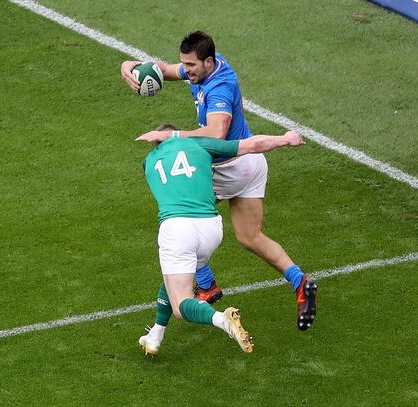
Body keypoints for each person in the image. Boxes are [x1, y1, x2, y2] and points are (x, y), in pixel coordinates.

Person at [121, 31, 317, 332]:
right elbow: (165, 69)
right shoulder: (204, 68)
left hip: (230, 167)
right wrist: (129, 65)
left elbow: (215, 134)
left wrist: (169, 135)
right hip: (252, 164)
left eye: (190, 66)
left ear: (208, 62)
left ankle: (204, 286)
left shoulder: (220, 88)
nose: (185, 70)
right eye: (184, 64)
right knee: (251, 237)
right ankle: (300, 283)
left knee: (182, 220)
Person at [137, 125, 306, 355]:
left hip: (177, 228)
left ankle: (222, 320)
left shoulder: (148, 163)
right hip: (211, 228)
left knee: (180, 304)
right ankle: (155, 335)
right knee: (174, 275)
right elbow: (252, 145)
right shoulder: (200, 143)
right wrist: (286, 139)